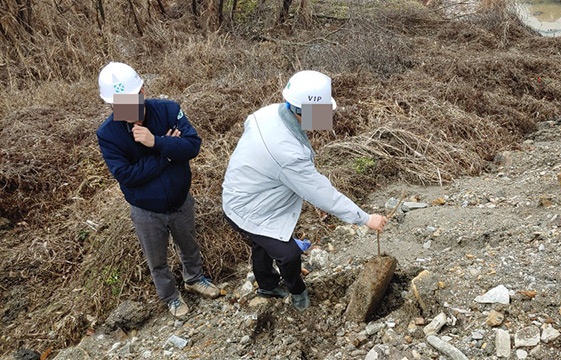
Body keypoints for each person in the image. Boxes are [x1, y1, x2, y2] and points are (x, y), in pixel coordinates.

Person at [222, 70, 388, 312]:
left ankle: (266, 285)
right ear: (304, 111)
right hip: (248, 208)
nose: (328, 116)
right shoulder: (286, 153)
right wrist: (365, 218)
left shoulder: (267, 113)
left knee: (262, 244)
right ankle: (297, 290)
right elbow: (321, 193)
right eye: (324, 112)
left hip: (244, 193)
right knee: (288, 254)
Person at [96, 62, 219, 318]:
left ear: (142, 91)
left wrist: (156, 141)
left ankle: (194, 279)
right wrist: (165, 155)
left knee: (189, 244)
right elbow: (126, 176)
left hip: (179, 198)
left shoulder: (168, 110)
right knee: (157, 259)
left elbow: (192, 145)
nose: (126, 109)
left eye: (130, 101)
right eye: (118, 105)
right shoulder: (108, 133)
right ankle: (171, 297)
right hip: (146, 209)